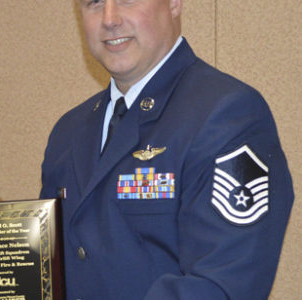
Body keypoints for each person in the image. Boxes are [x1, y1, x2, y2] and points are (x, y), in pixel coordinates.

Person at [40, 0, 294, 299]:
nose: (109, 19)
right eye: (94, 2)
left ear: (174, 4)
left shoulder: (228, 114)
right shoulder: (68, 131)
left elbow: (222, 285)